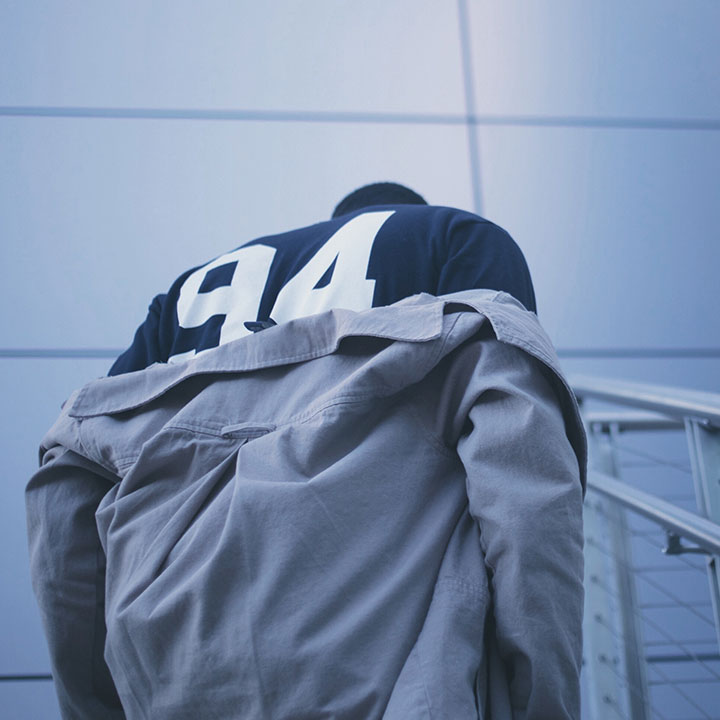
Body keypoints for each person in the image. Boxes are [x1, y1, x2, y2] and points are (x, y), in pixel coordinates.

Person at [26, 184, 585, 719]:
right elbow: (522, 476)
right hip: (395, 674)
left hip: (170, 670)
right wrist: (541, 700)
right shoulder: (458, 238)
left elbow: (71, 486)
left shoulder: (183, 295)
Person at [108, 182, 536, 374]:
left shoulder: (188, 290)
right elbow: (508, 398)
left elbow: (92, 426)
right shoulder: (459, 236)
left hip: (184, 529)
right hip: (372, 524)